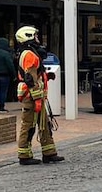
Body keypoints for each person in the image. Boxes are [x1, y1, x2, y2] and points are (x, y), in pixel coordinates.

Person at [15, 26, 63, 165]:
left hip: (37, 96)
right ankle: (24, 156)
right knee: (28, 126)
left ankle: (49, 153)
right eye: (35, 36)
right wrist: (36, 98)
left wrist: (47, 76)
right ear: (28, 37)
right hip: (32, 97)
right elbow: (30, 78)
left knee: (44, 125)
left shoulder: (30, 53)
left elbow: (34, 75)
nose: (37, 38)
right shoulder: (29, 55)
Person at [0, 36, 15, 112]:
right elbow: (10, 65)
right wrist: (14, 75)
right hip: (5, 75)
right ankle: (1, 107)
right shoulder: (6, 54)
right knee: (3, 91)